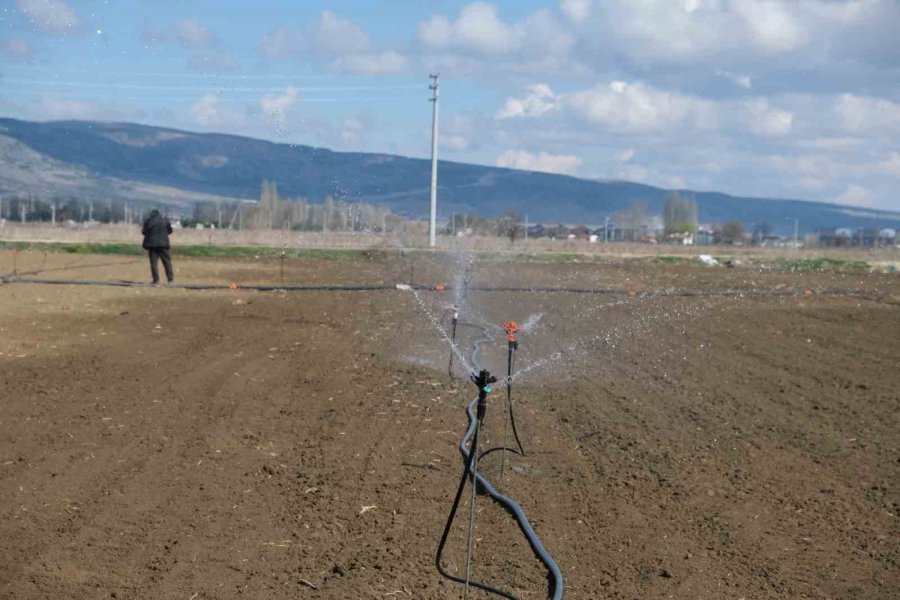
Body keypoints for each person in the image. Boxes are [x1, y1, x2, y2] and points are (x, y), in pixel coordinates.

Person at [141, 209, 174, 285]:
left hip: (152, 245)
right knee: (167, 262)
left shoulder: (148, 221)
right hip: (164, 244)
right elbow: (170, 231)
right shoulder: (165, 220)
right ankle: (170, 280)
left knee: (154, 263)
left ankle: (156, 280)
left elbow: (144, 232)